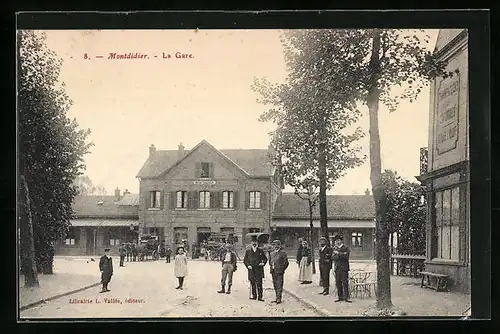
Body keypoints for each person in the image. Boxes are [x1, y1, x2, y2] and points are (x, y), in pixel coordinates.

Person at [243, 235, 267, 301]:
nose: (254, 243)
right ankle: (254, 296)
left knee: (259, 283)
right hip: (251, 270)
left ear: (257, 243)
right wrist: (248, 265)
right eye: (253, 242)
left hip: (259, 270)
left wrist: (263, 263)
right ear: (251, 243)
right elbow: (245, 260)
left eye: (255, 242)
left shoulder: (260, 251)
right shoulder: (248, 251)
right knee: (252, 283)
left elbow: (265, 259)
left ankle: (260, 297)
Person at [332, 234, 352, 303]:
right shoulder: (335, 248)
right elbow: (333, 258)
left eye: (339, 240)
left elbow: (346, 257)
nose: (337, 242)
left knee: (345, 283)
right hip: (337, 268)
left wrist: (338, 253)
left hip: (344, 268)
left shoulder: (346, 248)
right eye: (336, 241)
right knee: (338, 283)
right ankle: (340, 297)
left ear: (341, 241)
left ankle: (346, 297)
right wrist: (341, 254)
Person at [269, 239, 289, 304]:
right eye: (274, 245)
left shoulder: (283, 253)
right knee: (275, 285)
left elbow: (286, 263)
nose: (276, 246)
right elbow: (270, 261)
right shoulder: (271, 253)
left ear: (280, 245)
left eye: (277, 245)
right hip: (273, 271)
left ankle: (278, 298)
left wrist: (282, 269)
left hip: (280, 272)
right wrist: (271, 267)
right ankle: (276, 297)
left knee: (279, 285)